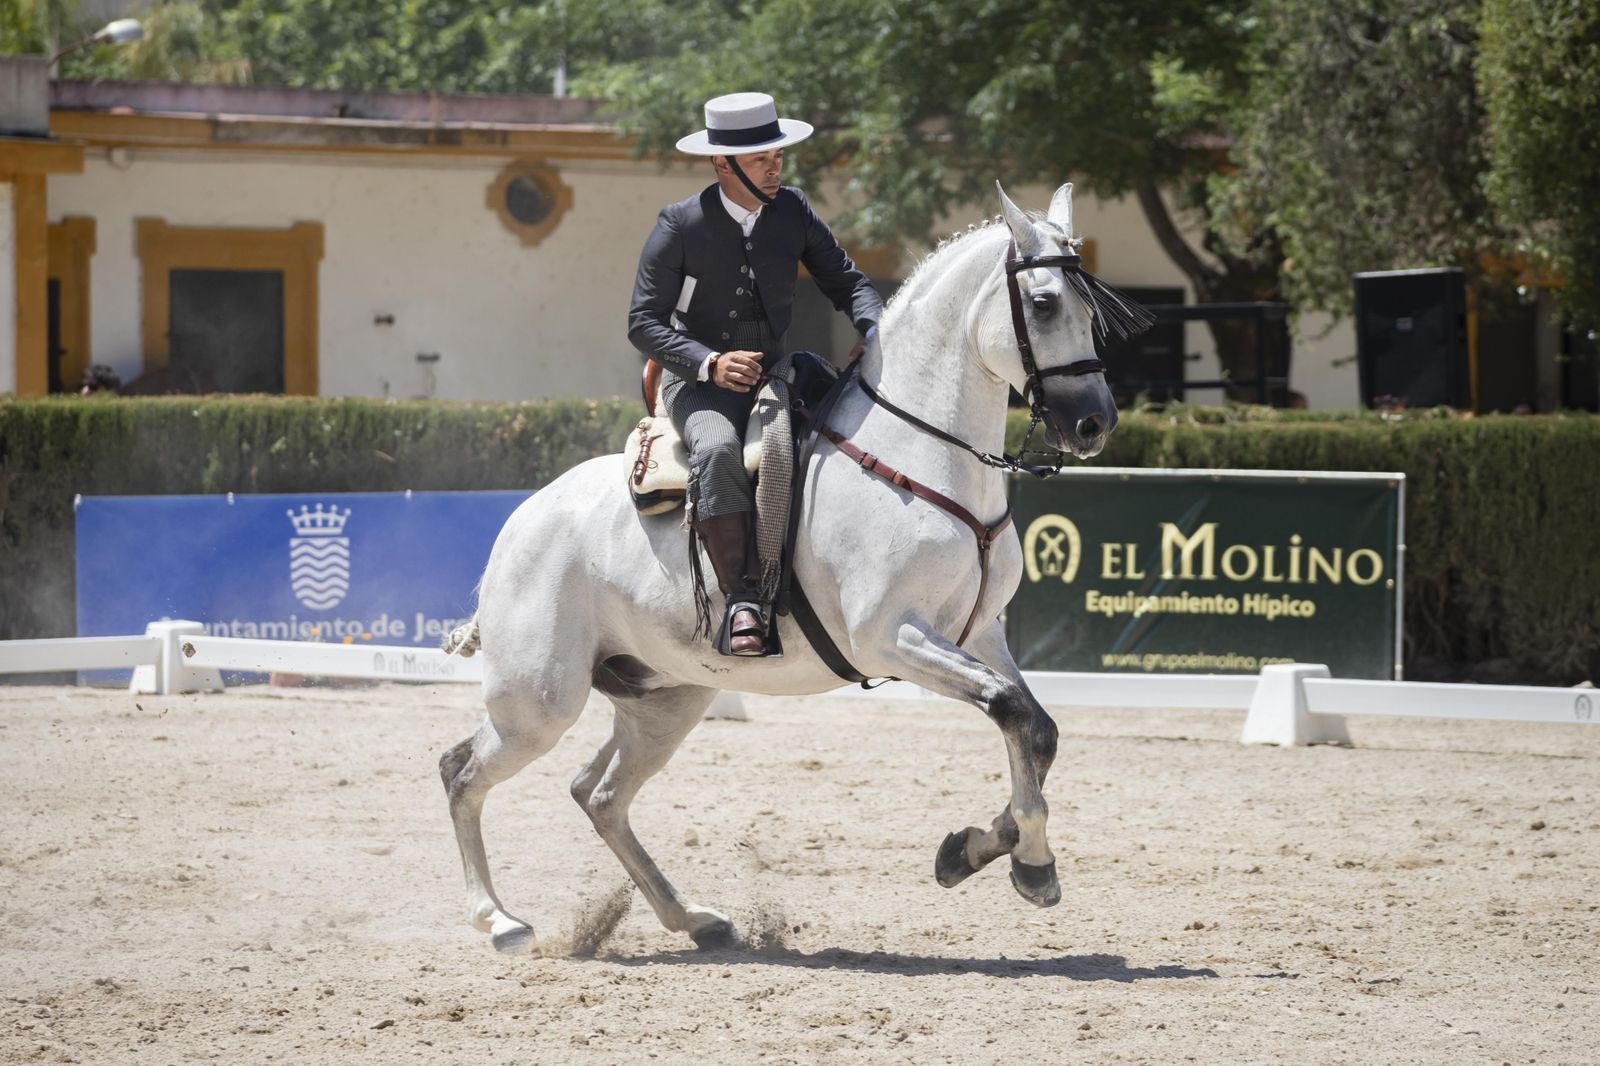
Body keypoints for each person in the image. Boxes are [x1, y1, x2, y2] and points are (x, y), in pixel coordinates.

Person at [627, 92, 882, 657]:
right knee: (717, 450)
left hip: (778, 371)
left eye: (778, 156)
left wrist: (877, 327)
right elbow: (642, 323)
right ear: (723, 164)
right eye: (763, 157)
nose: (776, 167)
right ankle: (742, 599)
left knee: (848, 428)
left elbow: (848, 281)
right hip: (696, 382)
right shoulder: (680, 224)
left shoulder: (793, 210)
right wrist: (709, 362)